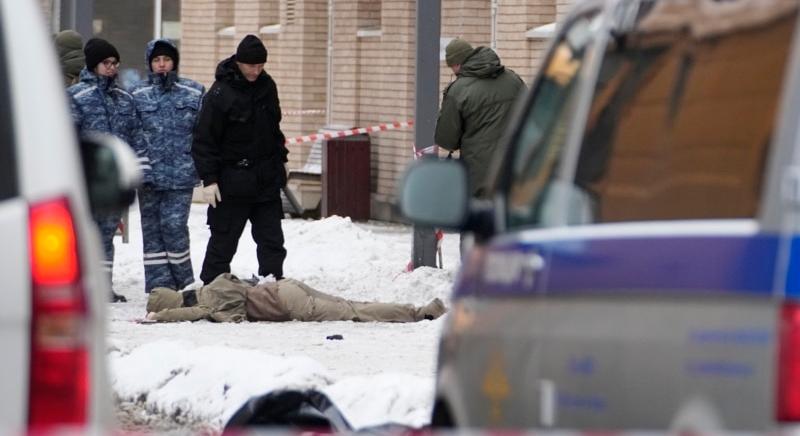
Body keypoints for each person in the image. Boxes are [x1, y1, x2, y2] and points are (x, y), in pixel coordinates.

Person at [192, 34, 289, 284]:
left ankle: (273, 287)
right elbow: (204, 140)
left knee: (272, 241)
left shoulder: (268, 87)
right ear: (239, 62)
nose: (256, 71)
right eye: (251, 66)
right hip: (231, 181)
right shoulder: (220, 93)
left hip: (265, 179)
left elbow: (274, 131)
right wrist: (209, 179)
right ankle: (213, 288)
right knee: (223, 241)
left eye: (260, 66)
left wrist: (281, 164)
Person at [68, 38, 147, 303]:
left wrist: (136, 168)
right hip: (82, 180)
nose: (112, 68)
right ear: (93, 66)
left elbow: (136, 135)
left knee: (105, 236)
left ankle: (103, 287)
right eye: (106, 63)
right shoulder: (76, 97)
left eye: (115, 63)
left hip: (110, 181)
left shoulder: (124, 100)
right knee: (82, 235)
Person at [131, 39, 205, 293]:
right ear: (149, 64)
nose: (162, 65)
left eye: (166, 59)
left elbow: (203, 133)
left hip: (180, 175)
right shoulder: (136, 95)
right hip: (148, 176)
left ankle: (184, 282)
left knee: (174, 227)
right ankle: (159, 287)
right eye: (156, 60)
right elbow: (133, 133)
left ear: (175, 62)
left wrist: (202, 167)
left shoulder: (194, 92)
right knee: (151, 231)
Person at [144, 273, 447, 323]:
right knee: (350, 304)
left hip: (288, 304)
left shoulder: (208, 303)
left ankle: (420, 313)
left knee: (354, 313)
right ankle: (416, 310)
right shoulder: (213, 285)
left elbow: (195, 314)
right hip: (285, 287)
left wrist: (160, 317)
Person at [435, 38, 526, 199]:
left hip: (480, 176)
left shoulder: (458, 90)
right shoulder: (513, 79)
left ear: (457, 64)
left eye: (452, 66)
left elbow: (447, 141)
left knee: (480, 220)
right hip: (517, 168)